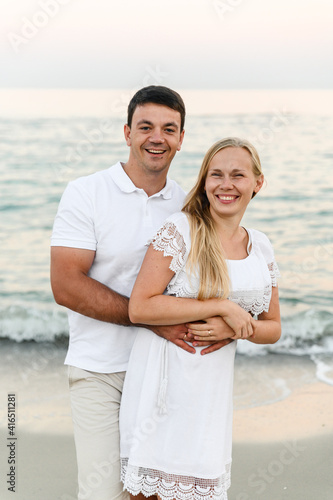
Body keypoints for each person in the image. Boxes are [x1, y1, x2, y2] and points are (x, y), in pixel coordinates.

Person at [50, 86, 233, 500]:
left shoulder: (190, 205)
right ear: (127, 132)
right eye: (146, 126)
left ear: (182, 138)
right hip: (100, 370)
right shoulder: (86, 193)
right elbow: (66, 284)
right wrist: (148, 319)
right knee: (102, 494)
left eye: (170, 129)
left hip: (166, 372)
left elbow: (211, 280)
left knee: (155, 495)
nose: (157, 137)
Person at [120, 137, 282, 500]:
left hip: (211, 397)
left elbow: (273, 328)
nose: (226, 184)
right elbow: (141, 306)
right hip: (162, 390)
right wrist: (221, 307)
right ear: (205, 181)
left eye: (238, 175)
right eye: (216, 175)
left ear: (257, 183)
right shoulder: (182, 230)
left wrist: (238, 326)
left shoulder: (261, 246)